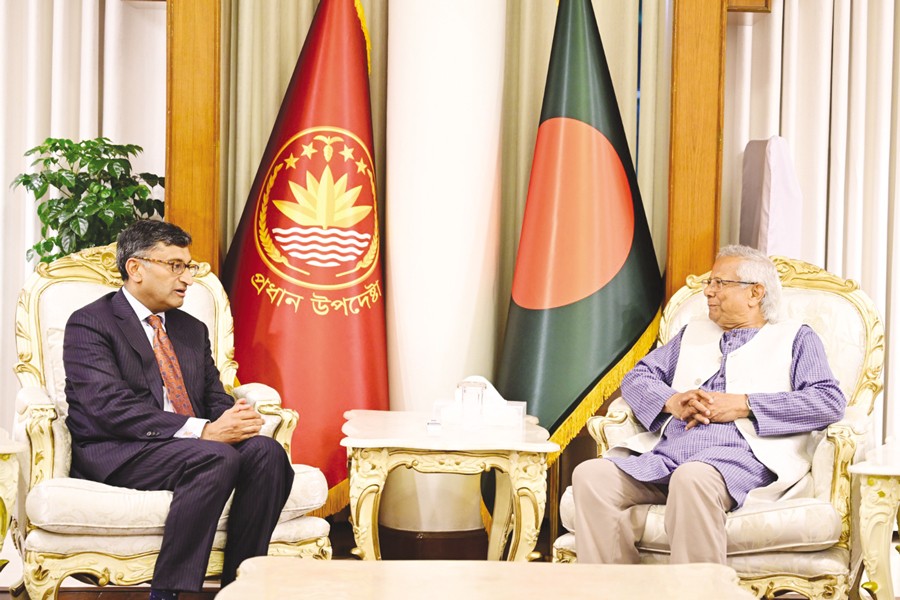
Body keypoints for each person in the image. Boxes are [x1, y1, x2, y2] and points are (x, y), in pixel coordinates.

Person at [572, 245, 846, 565]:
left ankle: (698, 592)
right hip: (669, 454)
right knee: (592, 475)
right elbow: (637, 378)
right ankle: (614, 590)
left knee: (692, 478)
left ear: (755, 293)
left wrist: (745, 405)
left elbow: (828, 401)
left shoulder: (795, 337)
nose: (709, 292)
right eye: (709, 284)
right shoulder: (692, 333)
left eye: (719, 283)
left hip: (742, 460)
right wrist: (672, 401)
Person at [63, 220, 294, 600]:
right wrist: (202, 431)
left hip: (192, 445)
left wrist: (232, 419)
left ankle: (241, 585)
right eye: (175, 266)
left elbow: (211, 394)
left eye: (189, 266)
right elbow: (108, 407)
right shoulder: (91, 323)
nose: (187, 277)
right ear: (136, 268)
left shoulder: (190, 328)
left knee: (267, 453)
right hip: (122, 449)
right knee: (214, 457)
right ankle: (169, 592)